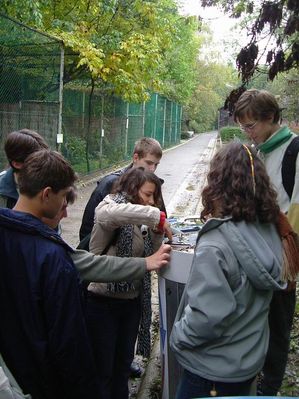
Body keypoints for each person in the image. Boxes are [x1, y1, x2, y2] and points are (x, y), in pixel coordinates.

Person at [170, 141, 285, 399]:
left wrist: (178, 336)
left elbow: (207, 318)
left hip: (209, 373)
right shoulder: (269, 229)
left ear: (218, 183)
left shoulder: (215, 242)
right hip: (247, 365)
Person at [0, 149, 102, 399]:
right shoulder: (52, 258)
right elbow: (69, 344)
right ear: (46, 194)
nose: (66, 212)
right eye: (64, 199)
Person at [85, 167, 172, 399]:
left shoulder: (141, 218)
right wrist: (156, 216)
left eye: (155, 196)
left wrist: (156, 231)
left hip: (131, 302)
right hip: (102, 302)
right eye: (147, 194)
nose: (152, 201)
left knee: (122, 367)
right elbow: (107, 216)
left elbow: (149, 256)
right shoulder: (110, 205)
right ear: (132, 190)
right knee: (103, 370)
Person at [234, 88, 299, 395]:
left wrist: (288, 268)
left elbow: (296, 213)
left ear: (270, 118)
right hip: (254, 255)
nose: (248, 133)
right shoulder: (257, 151)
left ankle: (268, 389)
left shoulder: (294, 150)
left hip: (281, 260)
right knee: (252, 322)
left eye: (251, 126)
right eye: (243, 127)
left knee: (277, 327)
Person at [79, 137, 166, 242]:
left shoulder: (153, 185)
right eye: (149, 163)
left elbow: (162, 219)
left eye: (156, 164)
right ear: (135, 157)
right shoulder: (111, 183)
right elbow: (89, 226)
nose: (152, 169)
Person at [0, 129, 48, 208]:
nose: (44, 165)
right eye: (37, 161)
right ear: (17, 164)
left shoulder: (48, 183)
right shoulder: (2, 191)